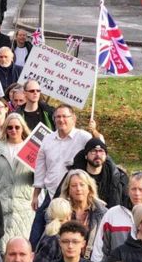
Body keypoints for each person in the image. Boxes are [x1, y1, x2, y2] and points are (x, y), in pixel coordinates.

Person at [30, 105, 94, 244]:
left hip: (72, 196)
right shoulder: (47, 139)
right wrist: (36, 194)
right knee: (36, 236)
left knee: (65, 234)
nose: (61, 120)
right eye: (58, 117)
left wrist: (95, 131)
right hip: (51, 194)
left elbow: (99, 151)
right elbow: (40, 166)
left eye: (65, 116)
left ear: (74, 119)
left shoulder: (83, 137)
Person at [0, 113, 35, 241]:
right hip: (1, 207)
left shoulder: (32, 149)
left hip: (24, 208)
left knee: (22, 251)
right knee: (0, 252)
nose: (13, 130)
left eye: (17, 127)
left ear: (23, 128)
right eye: (10, 127)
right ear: (5, 129)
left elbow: (40, 177)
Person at [58, 138, 128, 209]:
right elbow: (59, 199)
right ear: (86, 155)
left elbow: (126, 203)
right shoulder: (72, 176)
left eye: (101, 151)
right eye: (93, 151)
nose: (98, 155)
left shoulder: (117, 176)